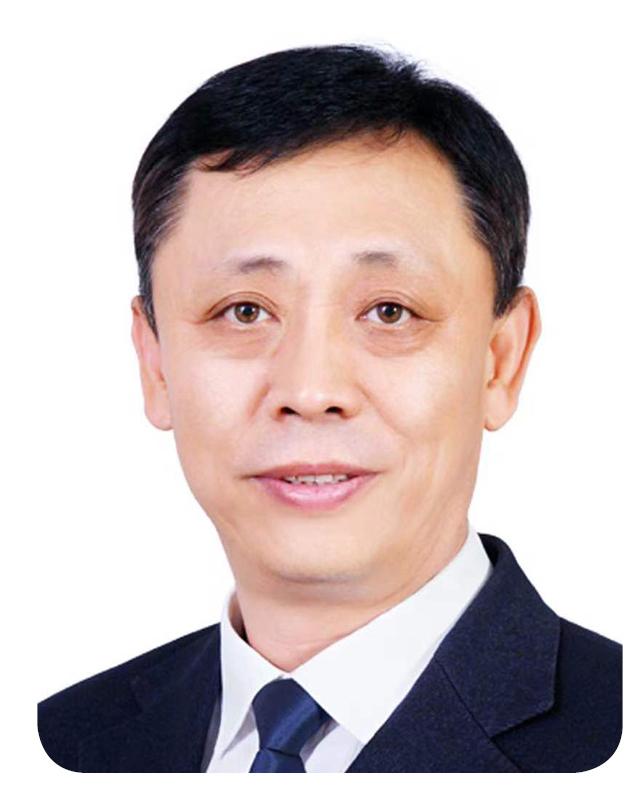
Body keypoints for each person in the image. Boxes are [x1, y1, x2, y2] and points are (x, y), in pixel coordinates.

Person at [37, 43, 622, 773]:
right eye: (244, 311)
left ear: (500, 360)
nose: (311, 392)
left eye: (389, 311)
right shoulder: (61, 742)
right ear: (155, 363)